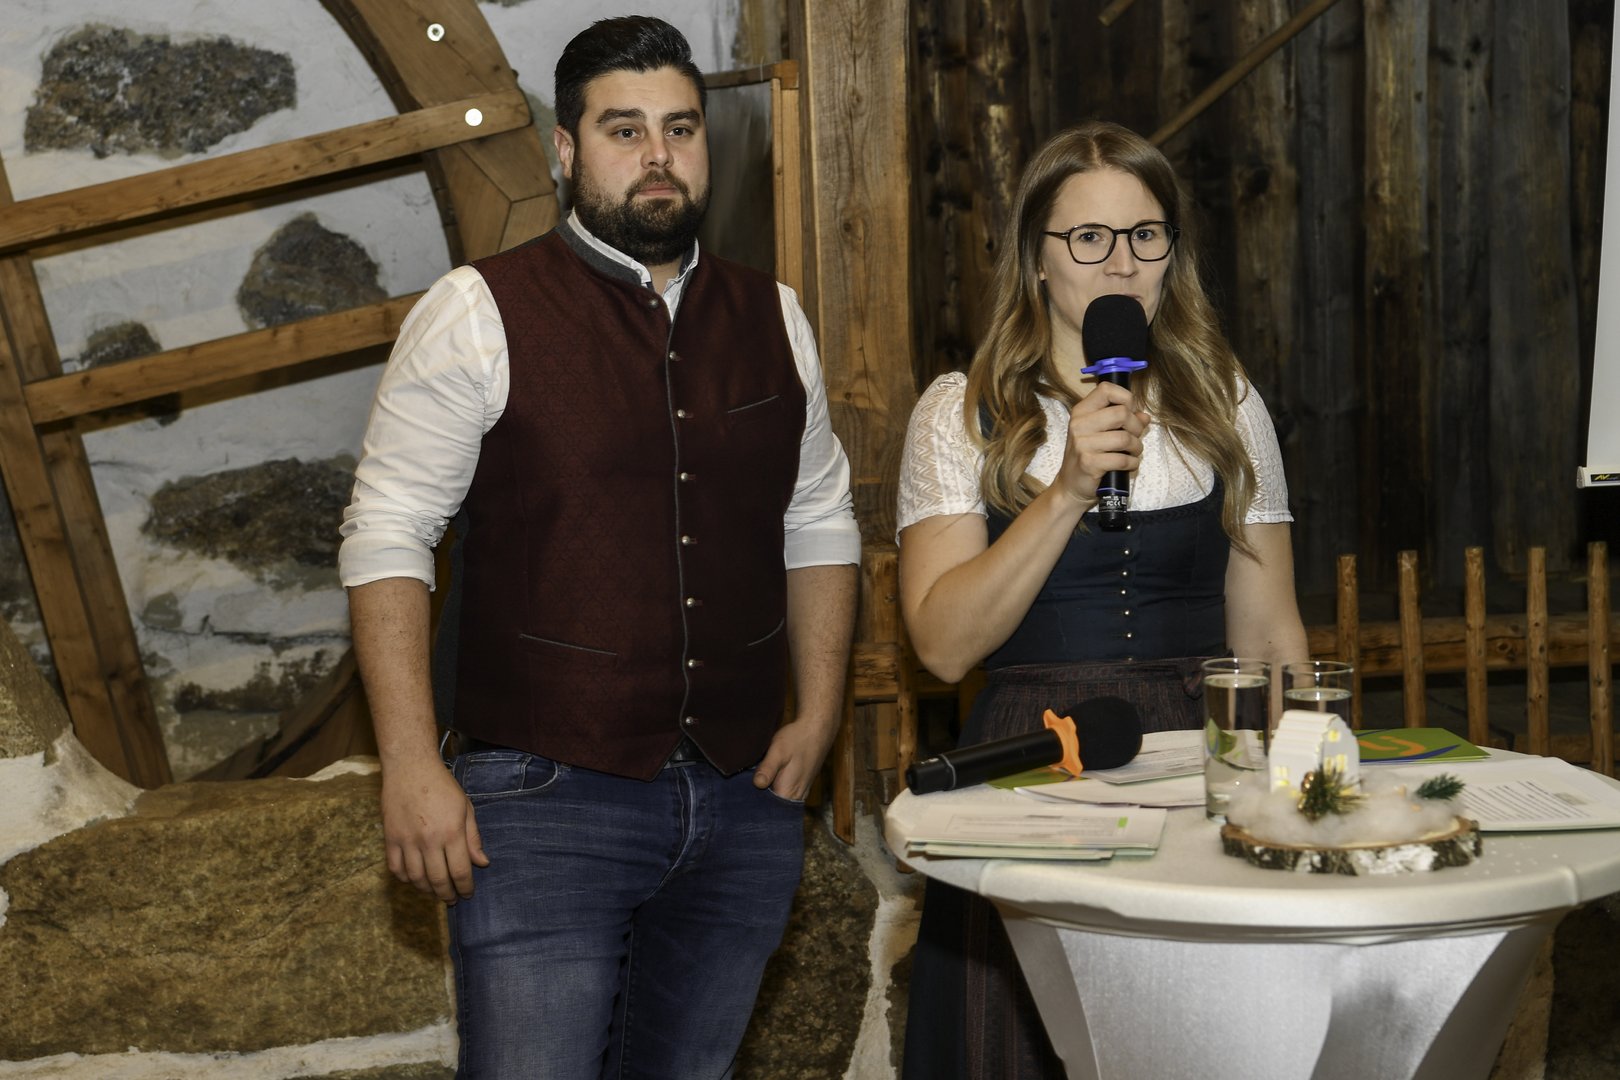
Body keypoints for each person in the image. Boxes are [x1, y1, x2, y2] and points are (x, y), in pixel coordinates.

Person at [338, 16, 860, 1078]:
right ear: (566, 150)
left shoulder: (775, 315)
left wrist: (819, 714)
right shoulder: (476, 312)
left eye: (681, 129)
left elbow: (817, 520)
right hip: (541, 798)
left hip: (745, 792)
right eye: (625, 131)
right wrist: (411, 765)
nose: (658, 155)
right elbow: (388, 534)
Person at [896, 121, 1309, 1077]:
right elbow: (943, 648)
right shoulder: (963, 412)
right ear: (1038, 260)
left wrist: (1304, 791)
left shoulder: (1226, 402)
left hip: (1200, 766)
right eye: (1088, 238)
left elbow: (1269, 633)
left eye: (1145, 235)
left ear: (1172, 254)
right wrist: (1067, 489)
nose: (1121, 262)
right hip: (1034, 762)